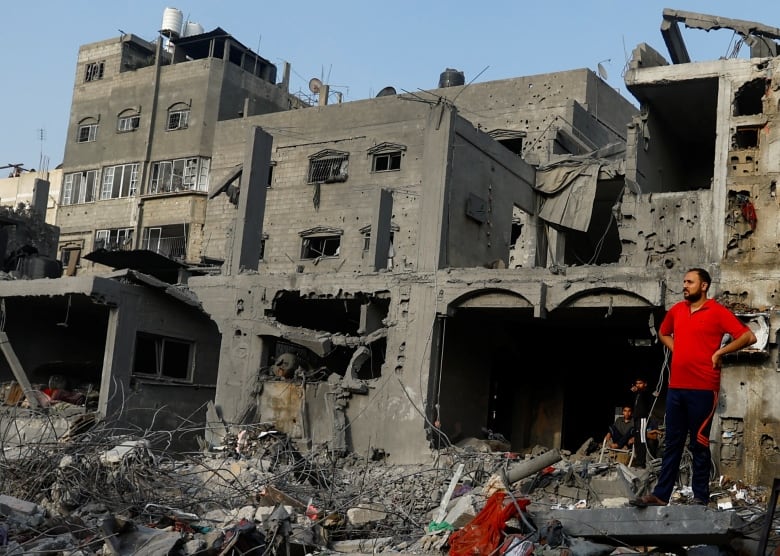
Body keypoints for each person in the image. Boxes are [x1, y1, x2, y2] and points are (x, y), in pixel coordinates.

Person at [630, 268, 756, 507]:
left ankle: (700, 497)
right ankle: (660, 495)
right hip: (677, 388)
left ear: (704, 285)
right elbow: (663, 332)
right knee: (672, 444)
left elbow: (748, 337)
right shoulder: (677, 310)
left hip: (704, 388)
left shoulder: (717, 312)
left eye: (690, 282)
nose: (684, 285)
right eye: (684, 282)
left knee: (698, 444)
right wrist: (678, 349)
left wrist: (720, 352)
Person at [631, 377, 655, 468]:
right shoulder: (638, 394)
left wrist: (638, 389)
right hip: (637, 419)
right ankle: (638, 461)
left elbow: (648, 395)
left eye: (640, 383)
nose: (638, 385)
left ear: (645, 384)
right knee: (637, 440)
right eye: (637, 383)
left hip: (642, 419)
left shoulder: (645, 393)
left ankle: (641, 463)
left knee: (641, 441)